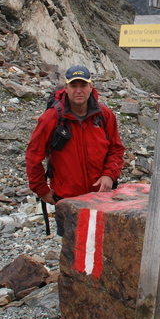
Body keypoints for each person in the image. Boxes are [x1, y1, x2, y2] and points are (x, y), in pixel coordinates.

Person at [25, 65, 125, 235]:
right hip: (67, 199)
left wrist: (109, 175)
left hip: (101, 197)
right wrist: (41, 189)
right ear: (66, 88)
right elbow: (33, 155)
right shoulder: (51, 118)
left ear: (90, 87)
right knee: (72, 252)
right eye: (74, 85)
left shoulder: (104, 115)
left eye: (83, 85)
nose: (79, 90)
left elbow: (116, 149)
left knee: (101, 247)